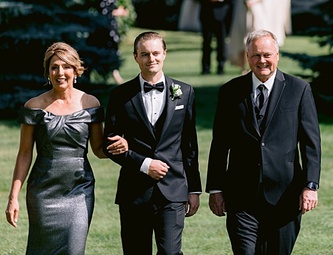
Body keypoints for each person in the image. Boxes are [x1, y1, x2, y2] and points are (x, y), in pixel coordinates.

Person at [5, 42, 127, 254]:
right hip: (43, 192)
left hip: (79, 190)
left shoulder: (90, 103)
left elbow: (98, 149)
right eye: (54, 67)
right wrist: (13, 197)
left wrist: (121, 146)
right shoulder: (33, 107)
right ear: (48, 72)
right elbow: (25, 154)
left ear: (76, 70)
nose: (60, 72)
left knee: (74, 249)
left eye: (66, 66)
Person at [206, 29, 321, 254]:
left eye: (267, 55)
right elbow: (219, 144)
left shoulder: (299, 90)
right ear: (247, 57)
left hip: (285, 197)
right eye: (256, 55)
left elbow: (310, 143)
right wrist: (215, 188)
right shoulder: (230, 92)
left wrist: (310, 185)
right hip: (241, 196)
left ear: (277, 55)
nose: (262, 61)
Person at [104, 31, 202, 254]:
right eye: (145, 54)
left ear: (165, 54)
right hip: (134, 192)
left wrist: (193, 189)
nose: (151, 59)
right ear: (135, 57)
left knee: (170, 252)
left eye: (156, 53)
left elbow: (189, 146)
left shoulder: (184, 92)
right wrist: (144, 164)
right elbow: (110, 147)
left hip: (173, 190)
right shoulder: (120, 95)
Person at [200, 0, 233, 75]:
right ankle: (205, 68)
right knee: (206, 41)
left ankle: (221, 66)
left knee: (221, 41)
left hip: (222, 10)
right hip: (207, 9)